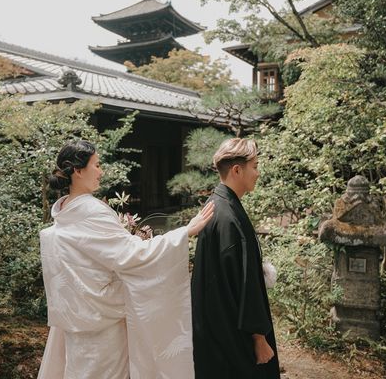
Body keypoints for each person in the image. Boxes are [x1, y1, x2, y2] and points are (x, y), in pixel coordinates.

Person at [37, 140, 214, 379]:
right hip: (104, 326)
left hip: (77, 323)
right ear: (78, 171)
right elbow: (133, 255)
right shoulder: (92, 211)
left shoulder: (63, 212)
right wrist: (185, 232)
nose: (101, 172)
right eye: (97, 165)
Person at [191, 138, 280, 379]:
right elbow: (244, 282)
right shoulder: (228, 217)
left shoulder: (216, 204)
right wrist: (259, 338)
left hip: (215, 324)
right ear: (237, 170)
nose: (258, 173)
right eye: (255, 166)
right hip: (234, 332)